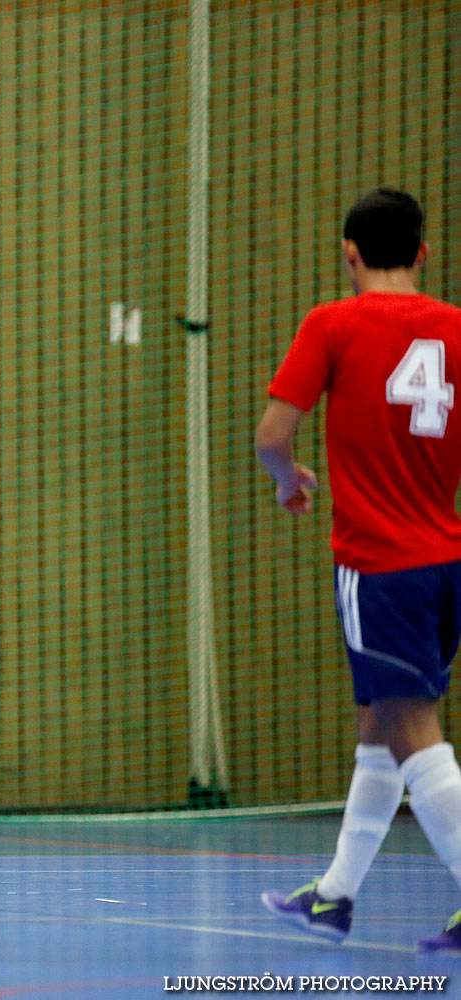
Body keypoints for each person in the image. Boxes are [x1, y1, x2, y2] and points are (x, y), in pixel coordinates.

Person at [257, 188, 461, 951]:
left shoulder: (333, 324)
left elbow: (272, 434)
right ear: (423, 253)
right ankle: (334, 896)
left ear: (348, 252)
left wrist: (290, 480)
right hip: (446, 562)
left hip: (380, 565)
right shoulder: (457, 330)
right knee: (377, 727)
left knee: (412, 732)